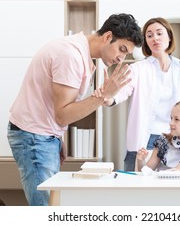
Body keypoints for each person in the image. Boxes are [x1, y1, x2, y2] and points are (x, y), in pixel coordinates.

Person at [7, 13, 143, 206]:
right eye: (122, 49)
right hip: (34, 137)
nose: (121, 58)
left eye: (127, 53)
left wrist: (57, 137)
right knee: (46, 211)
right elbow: (63, 114)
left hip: (42, 135)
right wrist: (104, 95)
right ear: (107, 37)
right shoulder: (70, 56)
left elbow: (56, 107)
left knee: (53, 205)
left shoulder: (79, 52)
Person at [93, 17, 180, 171]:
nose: (155, 38)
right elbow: (123, 91)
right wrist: (109, 99)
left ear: (169, 37)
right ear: (146, 42)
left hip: (174, 141)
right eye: (149, 35)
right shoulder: (138, 69)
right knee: (135, 189)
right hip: (143, 141)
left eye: (159, 33)